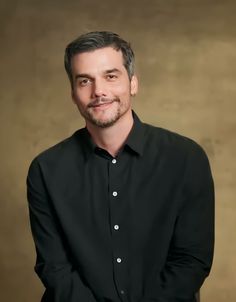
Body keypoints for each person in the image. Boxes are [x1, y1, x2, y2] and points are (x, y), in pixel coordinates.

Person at [27, 31, 214, 302]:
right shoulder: (46, 169)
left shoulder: (186, 158)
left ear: (133, 84)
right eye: (84, 81)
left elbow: (191, 261)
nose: (98, 91)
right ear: (73, 93)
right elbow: (54, 267)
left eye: (110, 76)